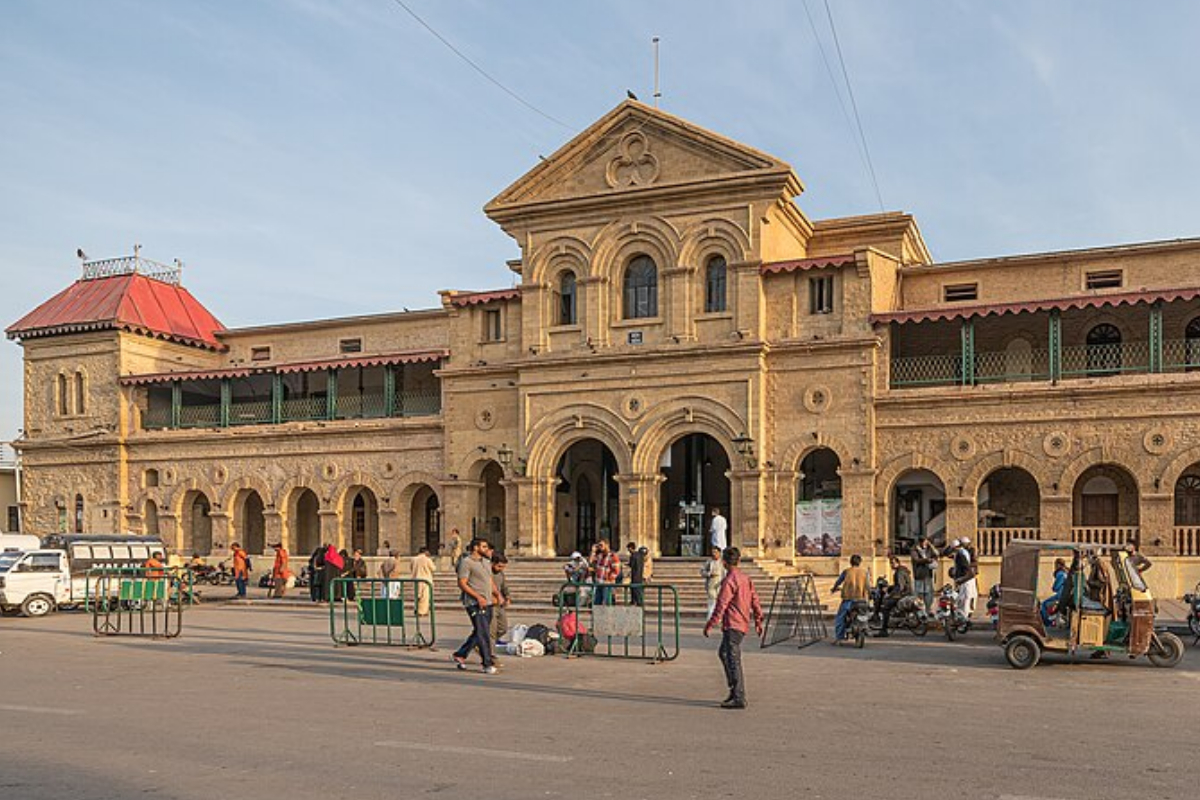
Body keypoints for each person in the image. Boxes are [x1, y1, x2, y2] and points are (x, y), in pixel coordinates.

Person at [703, 547, 763, 710]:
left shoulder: (729, 580)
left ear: (724, 562)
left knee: (732, 658)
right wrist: (758, 620)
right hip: (741, 623)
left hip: (733, 624)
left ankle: (738, 696)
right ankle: (734, 690)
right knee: (724, 653)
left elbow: (721, 604)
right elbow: (755, 600)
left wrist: (710, 623)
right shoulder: (745, 578)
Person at [452, 537, 502, 674]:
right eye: (484, 547)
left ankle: (461, 654)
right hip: (474, 603)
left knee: (480, 631)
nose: (487, 549)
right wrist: (477, 597)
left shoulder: (485, 562)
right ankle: (487, 663)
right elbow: (462, 583)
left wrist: (497, 594)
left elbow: (489, 580)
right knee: (483, 633)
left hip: (487, 601)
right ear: (476, 548)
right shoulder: (466, 562)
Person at [831, 554, 870, 642]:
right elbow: (868, 586)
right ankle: (865, 629)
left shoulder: (847, 571)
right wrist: (870, 595)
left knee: (840, 618)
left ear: (850, 562)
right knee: (865, 614)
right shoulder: (864, 572)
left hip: (848, 599)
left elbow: (838, 582)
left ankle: (839, 638)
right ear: (860, 562)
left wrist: (834, 589)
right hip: (861, 599)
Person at [877, 555, 914, 637]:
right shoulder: (903, 570)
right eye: (891, 563)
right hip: (907, 593)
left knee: (885, 607)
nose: (891, 565)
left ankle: (884, 630)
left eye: (893, 563)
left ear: (898, 563)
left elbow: (900, 587)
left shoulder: (899, 572)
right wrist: (890, 588)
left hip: (902, 594)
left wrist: (891, 594)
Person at [910, 535, 937, 613]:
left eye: (926, 542)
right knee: (919, 594)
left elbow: (936, 554)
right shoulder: (914, 550)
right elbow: (916, 560)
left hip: (928, 575)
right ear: (920, 542)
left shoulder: (929, 549)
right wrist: (927, 560)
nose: (925, 544)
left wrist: (931, 546)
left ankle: (928, 610)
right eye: (924, 542)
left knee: (929, 595)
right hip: (919, 576)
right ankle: (920, 612)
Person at [489, 552, 511, 643]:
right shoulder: (487, 573)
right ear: (493, 563)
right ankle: (488, 645)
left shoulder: (500, 573)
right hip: (490, 603)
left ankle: (486, 641)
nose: (501, 569)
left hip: (500, 604)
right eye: (499, 566)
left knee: (503, 627)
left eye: (503, 567)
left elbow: (504, 586)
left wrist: (507, 596)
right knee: (492, 629)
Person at [952, 539, 978, 618]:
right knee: (967, 597)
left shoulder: (961, 554)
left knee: (965, 598)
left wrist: (962, 579)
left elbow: (966, 567)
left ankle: (964, 615)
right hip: (967, 578)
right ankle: (966, 613)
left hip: (966, 578)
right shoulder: (964, 552)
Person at [591, 539, 620, 606]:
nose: (600, 547)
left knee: (606, 603)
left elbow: (616, 571)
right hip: (599, 582)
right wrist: (593, 551)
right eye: (599, 545)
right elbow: (591, 562)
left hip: (607, 584)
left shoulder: (613, 556)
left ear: (607, 545)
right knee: (597, 603)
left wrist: (609, 579)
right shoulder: (599, 556)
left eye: (601, 545)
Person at [1041, 558, 1069, 626]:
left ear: (1058, 565)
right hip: (1065, 595)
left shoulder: (1060, 574)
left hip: (1060, 595)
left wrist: (1055, 587)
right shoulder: (1066, 572)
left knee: (1044, 604)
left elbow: (1055, 588)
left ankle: (1047, 623)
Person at [701, 546, 725, 619]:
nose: (714, 554)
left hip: (720, 584)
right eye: (713, 552)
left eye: (716, 552)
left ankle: (719, 618)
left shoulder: (723, 562)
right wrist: (709, 574)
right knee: (712, 602)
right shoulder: (709, 562)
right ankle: (710, 618)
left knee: (720, 602)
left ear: (719, 553)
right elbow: (702, 572)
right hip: (711, 584)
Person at [410, 546, 436, 614]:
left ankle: (416, 608)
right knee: (424, 597)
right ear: (425, 552)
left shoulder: (413, 559)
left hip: (416, 579)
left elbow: (411, 568)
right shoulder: (427, 559)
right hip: (426, 580)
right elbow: (433, 568)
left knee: (417, 595)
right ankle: (422, 611)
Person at [626, 542, 647, 606]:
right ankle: (637, 601)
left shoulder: (633, 555)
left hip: (635, 575)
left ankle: (636, 601)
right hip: (639, 574)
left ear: (631, 548)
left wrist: (627, 565)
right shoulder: (640, 555)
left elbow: (632, 565)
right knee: (637, 589)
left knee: (635, 588)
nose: (628, 550)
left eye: (628, 548)